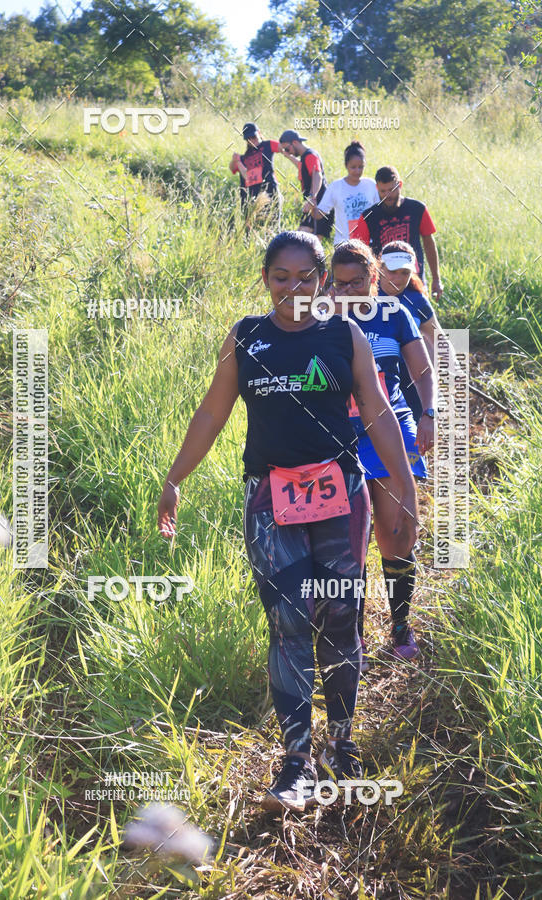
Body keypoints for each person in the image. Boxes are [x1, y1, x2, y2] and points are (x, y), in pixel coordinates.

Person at [157, 231, 418, 813]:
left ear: (323, 280)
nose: (293, 288)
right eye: (281, 276)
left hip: (340, 492)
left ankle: (342, 745)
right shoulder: (247, 337)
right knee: (290, 622)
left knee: (342, 614)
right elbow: (212, 410)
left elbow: (375, 410)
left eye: (305, 277)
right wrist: (175, 478)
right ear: (266, 278)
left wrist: (402, 486)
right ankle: (296, 761)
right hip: (270, 497)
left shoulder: (343, 334)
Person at [329, 240, 436, 667]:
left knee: (396, 535)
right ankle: (351, 637)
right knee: (347, 545)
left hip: (390, 434)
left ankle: (400, 625)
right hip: (338, 438)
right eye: (340, 284)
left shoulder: (396, 314)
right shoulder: (319, 319)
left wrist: (429, 413)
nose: (350, 291)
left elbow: (423, 370)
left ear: (374, 278)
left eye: (358, 282)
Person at [377, 240, 447, 421]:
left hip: (411, 380)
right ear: (380, 267)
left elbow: (439, 339)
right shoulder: (365, 294)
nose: (398, 279)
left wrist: (452, 377)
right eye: (392, 271)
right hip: (375, 379)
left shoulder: (416, 300)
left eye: (405, 273)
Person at [354, 166, 444, 299]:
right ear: (377, 189)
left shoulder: (417, 209)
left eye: (391, 190)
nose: (387, 195)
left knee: (420, 317)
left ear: (400, 185)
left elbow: (429, 243)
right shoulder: (368, 216)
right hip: (383, 284)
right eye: (383, 191)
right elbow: (359, 254)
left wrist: (436, 279)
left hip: (414, 278)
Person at [304, 140, 379, 245]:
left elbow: (380, 211)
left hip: (368, 243)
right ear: (346, 165)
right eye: (353, 167)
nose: (357, 171)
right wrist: (312, 206)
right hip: (343, 243)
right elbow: (318, 214)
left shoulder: (371, 185)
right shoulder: (336, 186)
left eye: (361, 167)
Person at [278, 129, 333, 239]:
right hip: (315, 202)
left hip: (319, 203)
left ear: (295, 143)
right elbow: (302, 166)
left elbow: (317, 175)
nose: (288, 151)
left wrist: (312, 197)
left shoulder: (310, 156)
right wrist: (289, 157)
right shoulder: (305, 157)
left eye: (287, 148)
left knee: (306, 241)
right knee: (304, 241)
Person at [229, 123, 282, 231]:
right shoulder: (244, 157)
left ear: (259, 133)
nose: (252, 140)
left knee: (273, 224)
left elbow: (285, 148)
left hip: (269, 191)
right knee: (250, 228)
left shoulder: (268, 145)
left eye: (254, 137)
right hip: (250, 196)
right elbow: (232, 169)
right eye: (249, 138)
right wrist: (235, 160)